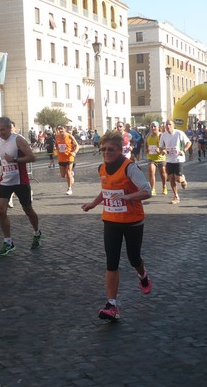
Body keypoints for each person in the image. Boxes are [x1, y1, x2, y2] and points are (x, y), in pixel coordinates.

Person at [81, 131, 152, 321]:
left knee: (133, 257)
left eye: (110, 149)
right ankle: (111, 305)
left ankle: (142, 274)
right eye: (103, 149)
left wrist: (127, 197)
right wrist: (94, 203)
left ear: (120, 150)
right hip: (111, 220)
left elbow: (147, 191)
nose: (106, 152)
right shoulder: (101, 168)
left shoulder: (130, 168)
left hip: (132, 220)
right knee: (111, 262)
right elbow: (107, 191)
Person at [0, 116, 41, 256]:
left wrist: (14, 159)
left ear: (9, 128)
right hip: (6, 181)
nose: (0, 132)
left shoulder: (18, 140)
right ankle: (8, 241)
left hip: (21, 181)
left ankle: (37, 232)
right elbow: (4, 158)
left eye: (2, 130)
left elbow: (32, 157)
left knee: (28, 210)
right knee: (1, 211)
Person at [159, 119, 191, 204]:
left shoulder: (179, 133)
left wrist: (183, 150)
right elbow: (160, 147)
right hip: (169, 160)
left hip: (178, 159)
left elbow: (189, 143)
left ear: (173, 126)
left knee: (178, 179)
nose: (168, 126)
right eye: (166, 125)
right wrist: (163, 151)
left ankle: (183, 179)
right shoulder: (163, 135)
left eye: (170, 124)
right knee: (171, 178)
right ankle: (176, 196)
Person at [55, 124, 79, 195]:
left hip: (69, 157)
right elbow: (56, 145)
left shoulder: (70, 136)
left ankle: (69, 189)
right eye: (59, 129)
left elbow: (77, 146)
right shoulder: (57, 137)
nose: (60, 130)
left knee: (68, 172)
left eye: (61, 129)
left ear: (65, 129)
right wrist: (56, 149)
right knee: (63, 175)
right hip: (61, 158)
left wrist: (74, 152)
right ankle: (71, 175)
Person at [145, 121, 167, 195]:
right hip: (151, 157)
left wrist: (160, 149)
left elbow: (166, 146)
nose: (153, 128)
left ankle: (164, 186)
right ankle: (153, 189)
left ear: (158, 127)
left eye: (155, 126)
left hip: (160, 157)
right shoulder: (148, 136)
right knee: (151, 172)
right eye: (152, 126)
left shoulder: (161, 135)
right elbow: (146, 144)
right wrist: (146, 149)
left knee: (163, 173)